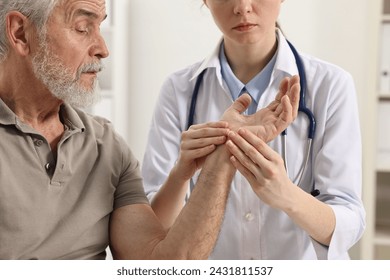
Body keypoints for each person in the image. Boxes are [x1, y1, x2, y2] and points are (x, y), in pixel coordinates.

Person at [0, 0, 299, 260]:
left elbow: (162, 264)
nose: (103, 49)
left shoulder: (107, 147)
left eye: (100, 28)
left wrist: (225, 153)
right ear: (20, 33)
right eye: (82, 27)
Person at [141, 0, 366, 259]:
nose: (243, 7)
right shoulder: (179, 90)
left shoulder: (331, 85)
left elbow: (349, 225)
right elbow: (153, 228)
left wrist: (286, 195)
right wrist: (180, 175)